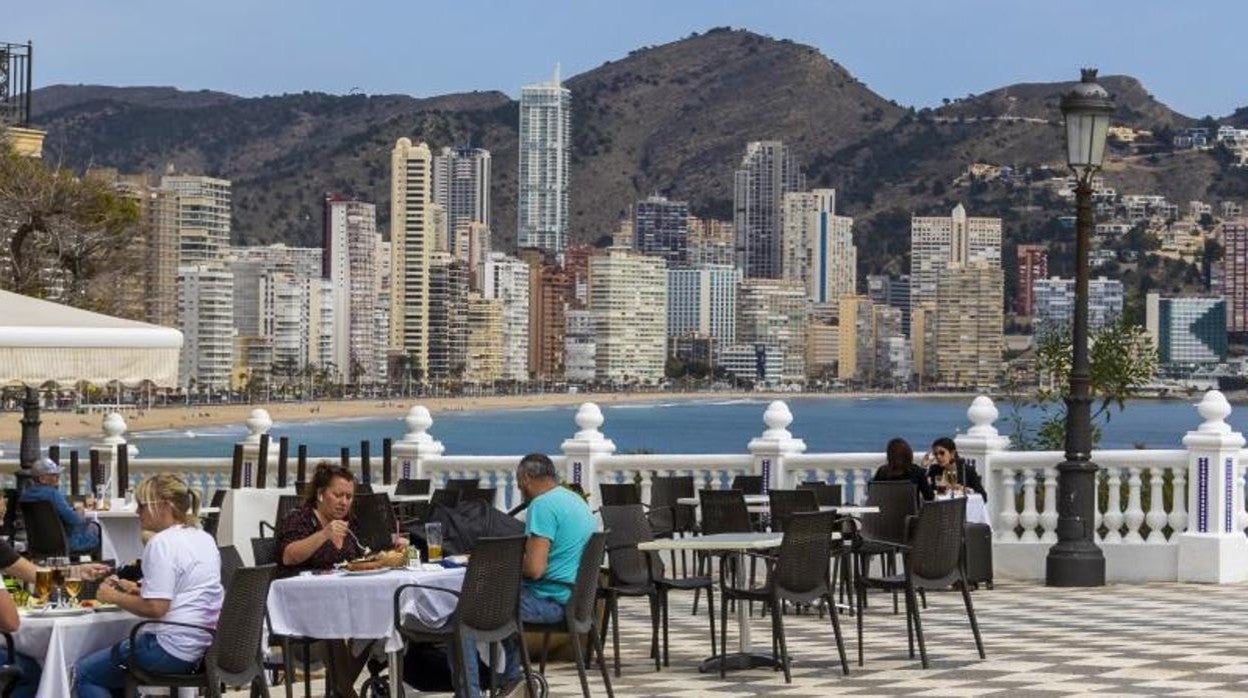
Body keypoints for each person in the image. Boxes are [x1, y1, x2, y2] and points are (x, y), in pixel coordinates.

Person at [459, 453, 596, 697]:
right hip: (575, 600)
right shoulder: (575, 501)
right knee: (498, 605)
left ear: (527, 477)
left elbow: (534, 569)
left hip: (549, 601)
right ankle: (513, 680)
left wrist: (499, 563)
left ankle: (470, 693)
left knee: (467, 614)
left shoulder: (542, 505)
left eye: (519, 481)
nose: (519, 488)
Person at [73, 474, 222, 698]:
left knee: (86, 673)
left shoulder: (161, 543)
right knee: (112, 673)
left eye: (142, 505)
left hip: (169, 648)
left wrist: (111, 596)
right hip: (203, 646)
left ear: (164, 506)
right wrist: (138, 589)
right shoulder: (203, 538)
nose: (137, 512)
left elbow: (155, 608)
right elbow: (186, 590)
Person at [275, 462, 379, 698]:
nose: (344, 501)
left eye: (349, 496)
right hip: (298, 603)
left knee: (377, 616)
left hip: (340, 599)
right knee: (327, 618)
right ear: (321, 494)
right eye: (338, 495)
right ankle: (345, 693)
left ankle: (340, 692)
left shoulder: (351, 524)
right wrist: (323, 534)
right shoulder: (300, 520)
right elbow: (289, 556)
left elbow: (363, 555)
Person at [20, 458, 100, 555]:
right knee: (95, 526)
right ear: (42, 479)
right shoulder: (53, 494)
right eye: (53, 475)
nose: (57, 477)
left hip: (37, 544)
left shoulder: (25, 496)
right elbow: (75, 520)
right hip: (66, 543)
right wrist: (80, 511)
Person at [872, 437, 935, 501]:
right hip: (911, 511)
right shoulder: (916, 471)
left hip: (886, 510)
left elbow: (873, 493)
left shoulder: (882, 472)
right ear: (908, 453)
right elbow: (929, 497)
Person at [923, 437, 987, 497]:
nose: (938, 457)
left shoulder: (966, 470)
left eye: (942, 453)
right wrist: (924, 467)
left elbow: (984, 496)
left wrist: (965, 490)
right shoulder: (934, 469)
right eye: (935, 454)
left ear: (952, 453)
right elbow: (924, 491)